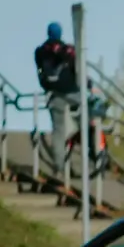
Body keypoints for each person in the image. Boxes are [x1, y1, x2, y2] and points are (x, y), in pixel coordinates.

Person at [34, 21, 80, 175]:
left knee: (58, 131)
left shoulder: (40, 52)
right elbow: (77, 69)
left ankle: (59, 166)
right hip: (73, 92)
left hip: (54, 95)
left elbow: (40, 71)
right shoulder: (68, 50)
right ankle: (93, 154)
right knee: (87, 118)